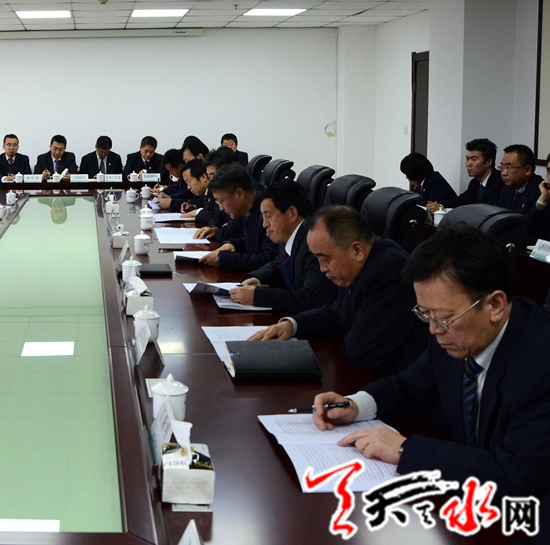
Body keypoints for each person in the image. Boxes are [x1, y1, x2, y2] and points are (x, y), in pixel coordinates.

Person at [310, 226, 550, 506]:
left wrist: (404, 449)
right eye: (425, 314)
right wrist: (354, 406)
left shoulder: (540, 367)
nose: (434, 330)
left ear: (495, 305)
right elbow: (409, 388)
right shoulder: (455, 330)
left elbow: (513, 479)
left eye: (441, 318)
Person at [249, 205, 427, 375]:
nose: (321, 268)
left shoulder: (388, 272)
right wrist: (292, 324)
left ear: (356, 250)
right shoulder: (356, 266)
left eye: (325, 259)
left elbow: (358, 351)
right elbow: (338, 313)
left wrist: (342, 327)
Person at [231, 180, 337, 313]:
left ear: (292, 213)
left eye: (269, 215)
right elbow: (277, 265)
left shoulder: (312, 244)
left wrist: (258, 296)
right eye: (263, 217)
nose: (264, 224)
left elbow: (313, 298)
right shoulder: (290, 237)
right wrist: (256, 278)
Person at [196, 163, 278, 271]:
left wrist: (223, 259)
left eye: (221, 201)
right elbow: (253, 242)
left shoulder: (267, 213)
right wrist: (233, 244)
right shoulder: (248, 209)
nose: (221, 208)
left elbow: (268, 259)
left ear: (239, 194)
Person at [427, 138, 502, 212]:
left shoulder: (500, 182)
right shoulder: (475, 183)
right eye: (467, 159)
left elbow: (488, 209)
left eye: (474, 159)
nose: (468, 164)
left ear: (489, 162)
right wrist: (441, 206)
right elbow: (462, 200)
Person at [497, 144, 543, 216]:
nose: (503, 173)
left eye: (508, 167)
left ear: (527, 170)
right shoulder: (507, 189)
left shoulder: (539, 192)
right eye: (502, 167)